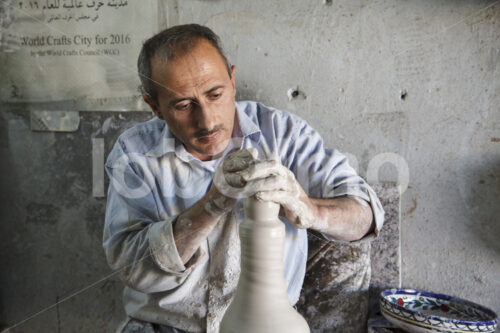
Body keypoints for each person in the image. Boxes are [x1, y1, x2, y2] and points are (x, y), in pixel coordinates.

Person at [103, 24, 384, 333]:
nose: (207, 120)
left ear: (233, 81)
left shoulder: (284, 134)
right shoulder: (133, 153)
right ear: (154, 106)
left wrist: (307, 208)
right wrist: (210, 207)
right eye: (184, 105)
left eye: (215, 94)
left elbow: (366, 217)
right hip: (165, 325)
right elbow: (131, 265)